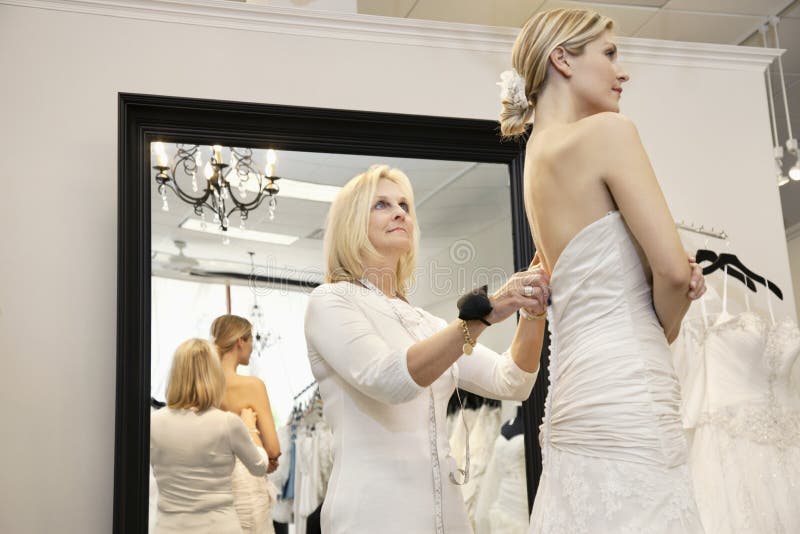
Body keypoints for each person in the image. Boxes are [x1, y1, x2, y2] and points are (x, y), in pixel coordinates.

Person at [498, 8, 708, 533]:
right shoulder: (608, 133)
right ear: (562, 59)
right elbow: (675, 276)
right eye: (610, 53)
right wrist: (668, 310)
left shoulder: (533, 167)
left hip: (574, 393)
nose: (623, 70)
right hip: (628, 385)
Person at [303, 164, 550, 533]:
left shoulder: (424, 321)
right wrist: (482, 316)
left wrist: (533, 310)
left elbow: (511, 381)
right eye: (382, 205)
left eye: (404, 204)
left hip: (447, 514)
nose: (401, 211)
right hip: (374, 514)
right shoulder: (331, 302)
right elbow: (389, 379)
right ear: (351, 222)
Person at [150, 338, 271, 534]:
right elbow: (259, 467)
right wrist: (250, 428)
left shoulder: (153, 423)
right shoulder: (227, 423)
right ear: (213, 376)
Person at [211, 314, 281, 534]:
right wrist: (251, 432)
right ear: (240, 341)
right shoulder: (252, 385)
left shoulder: (204, 386)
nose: (252, 347)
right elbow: (273, 449)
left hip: (214, 486)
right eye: (250, 341)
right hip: (246, 483)